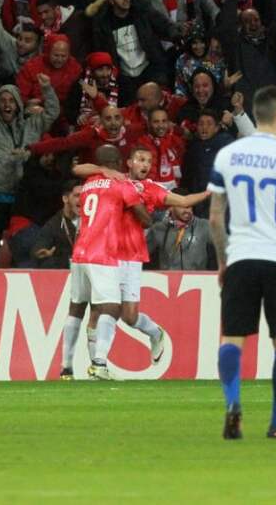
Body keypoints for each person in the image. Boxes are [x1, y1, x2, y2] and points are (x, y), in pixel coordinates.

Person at [208, 85, 276, 440]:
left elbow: (214, 217)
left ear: (255, 113)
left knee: (232, 338)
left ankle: (232, 403)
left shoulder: (229, 154)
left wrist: (224, 262)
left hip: (241, 257)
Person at [62, 145, 150, 381]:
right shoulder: (121, 184)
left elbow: (75, 168)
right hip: (101, 253)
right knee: (112, 307)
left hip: (80, 251)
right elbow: (144, 218)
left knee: (77, 308)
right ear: (120, 162)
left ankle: (66, 367)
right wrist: (146, 213)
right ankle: (99, 363)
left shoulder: (89, 182)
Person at [0, 72, 60, 268]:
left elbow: (52, 112)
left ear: (18, 104)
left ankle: (20, 282)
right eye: (2, 101)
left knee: (21, 242)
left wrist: (47, 89)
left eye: (11, 101)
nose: (7, 105)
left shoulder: (33, 125)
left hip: (23, 197)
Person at [148, 189, 215, 270]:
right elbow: (139, 255)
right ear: (170, 207)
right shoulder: (158, 229)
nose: (187, 211)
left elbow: (228, 246)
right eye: (182, 206)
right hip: (168, 281)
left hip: (197, 281)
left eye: (190, 206)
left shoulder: (204, 226)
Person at [31, 180, 81, 270]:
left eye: (85, 195)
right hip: (65, 271)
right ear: (65, 199)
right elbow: (41, 244)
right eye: (77, 196)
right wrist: (40, 251)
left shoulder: (92, 221)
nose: (82, 199)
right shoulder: (54, 224)